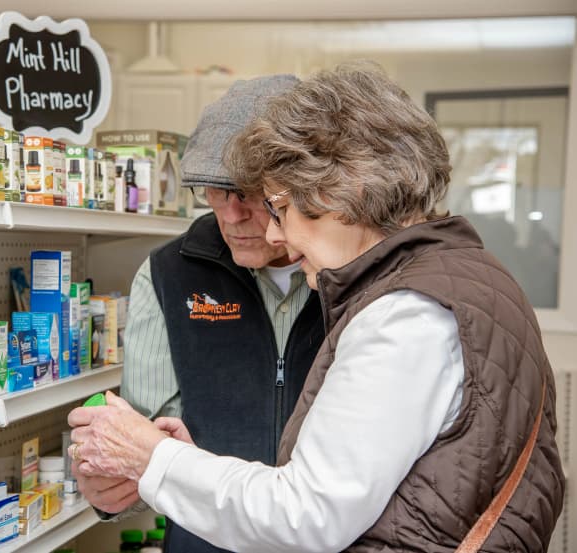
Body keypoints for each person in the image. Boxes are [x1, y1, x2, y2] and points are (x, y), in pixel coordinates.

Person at [68, 63, 565, 552]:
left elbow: (306, 516)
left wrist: (156, 457)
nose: (270, 231)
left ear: (345, 192)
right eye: (213, 195)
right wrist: (161, 462)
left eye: (276, 205)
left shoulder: (405, 313)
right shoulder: (452, 273)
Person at [76, 75, 325, 553]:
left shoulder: (353, 276)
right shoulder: (169, 274)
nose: (230, 215)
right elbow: (145, 448)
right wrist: (110, 491)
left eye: (249, 193)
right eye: (213, 191)